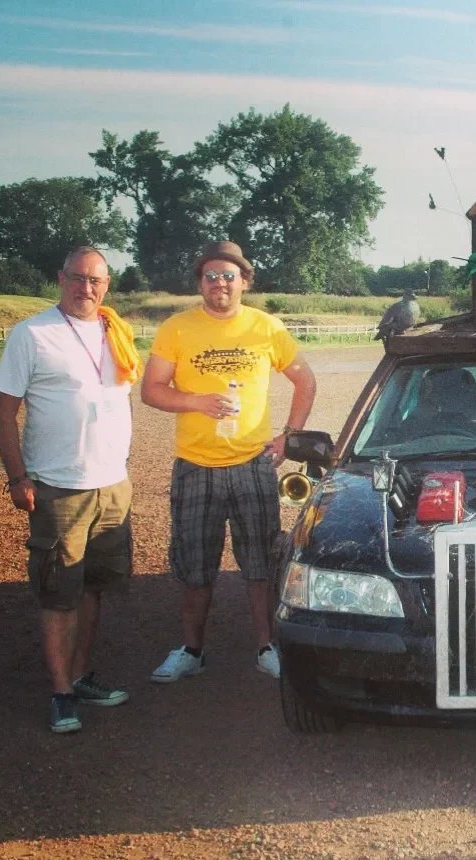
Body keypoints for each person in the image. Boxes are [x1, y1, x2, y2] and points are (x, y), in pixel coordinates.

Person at [142, 240, 316, 683]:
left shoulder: (266, 326)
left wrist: (288, 437)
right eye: (211, 276)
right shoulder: (177, 328)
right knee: (195, 565)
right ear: (200, 282)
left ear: (245, 281)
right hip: (195, 465)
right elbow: (152, 390)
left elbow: (304, 380)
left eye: (228, 276)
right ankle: (191, 650)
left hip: (252, 465)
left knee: (259, 563)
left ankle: (265, 647)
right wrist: (195, 400)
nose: (219, 283)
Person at [0, 246, 140, 734]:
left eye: (96, 280)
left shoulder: (115, 331)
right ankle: (60, 693)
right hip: (59, 485)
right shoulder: (32, 333)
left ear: (107, 285)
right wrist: (17, 476)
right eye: (77, 278)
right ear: (60, 278)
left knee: (94, 586)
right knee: (59, 592)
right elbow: (3, 412)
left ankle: (79, 676)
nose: (86, 288)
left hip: (111, 484)